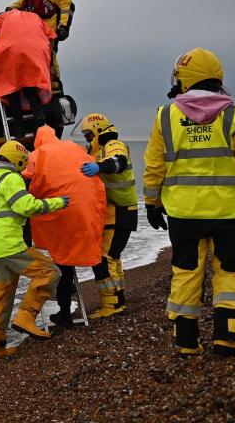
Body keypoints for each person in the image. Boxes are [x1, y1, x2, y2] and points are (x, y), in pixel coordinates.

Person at [143, 47, 235, 357]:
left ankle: (186, 340)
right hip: (230, 213)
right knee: (233, 268)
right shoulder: (234, 115)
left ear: (182, 79)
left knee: (186, 269)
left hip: (184, 213)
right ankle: (227, 335)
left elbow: (154, 166)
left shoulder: (165, 116)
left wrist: (150, 203)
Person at [0, 140, 70, 358]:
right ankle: (26, 317)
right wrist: (57, 202)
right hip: (10, 244)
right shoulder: (11, 178)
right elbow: (26, 207)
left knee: (1, 297)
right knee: (49, 272)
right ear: (18, 160)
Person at [25, 126, 107, 328]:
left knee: (63, 260)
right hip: (84, 207)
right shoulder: (74, 147)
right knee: (85, 245)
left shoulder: (37, 154)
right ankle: (111, 298)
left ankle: (65, 313)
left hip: (61, 210)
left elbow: (27, 177)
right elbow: (91, 167)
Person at [78, 113, 138, 319]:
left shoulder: (113, 145)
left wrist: (98, 167)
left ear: (98, 130)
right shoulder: (96, 151)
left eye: (88, 134)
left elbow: (117, 162)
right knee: (112, 256)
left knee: (105, 258)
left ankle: (111, 304)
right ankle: (117, 299)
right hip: (113, 212)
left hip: (122, 210)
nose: (87, 138)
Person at [9, 0, 73, 135]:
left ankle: (53, 92)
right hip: (31, 38)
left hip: (48, 35)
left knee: (50, 63)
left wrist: (63, 27)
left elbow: (66, 5)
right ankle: (35, 100)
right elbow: (20, 4)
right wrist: (9, 9)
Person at [0, 9, 56, 137]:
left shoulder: (3, 18)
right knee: (30, 87)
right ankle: (39, 118)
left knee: (12, 91)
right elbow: (50, 35)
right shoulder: (35, 17)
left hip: (10, 52)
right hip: (35, 52)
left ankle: (19, 126)